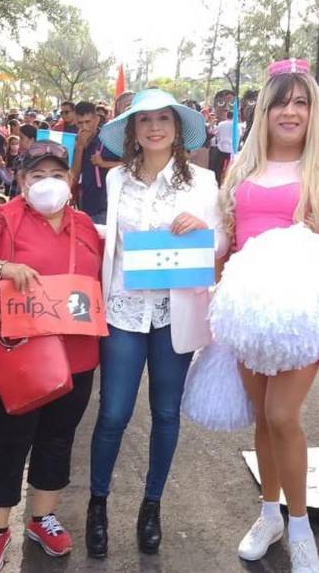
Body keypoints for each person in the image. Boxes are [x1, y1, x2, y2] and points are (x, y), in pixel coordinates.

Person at [221, 58, 319, 573]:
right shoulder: (241, 164)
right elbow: (228, 234)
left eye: (301, 102)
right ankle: (269, 513)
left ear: (313, 109)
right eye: (281, 101)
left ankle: (300, 527)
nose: (291, 111)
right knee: (263, 418)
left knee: (282, 415)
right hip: (248, 307)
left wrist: (314, 257)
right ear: (266, 109)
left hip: (301, 309)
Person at [86, 88, 228, 559]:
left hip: (174, 313)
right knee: (113, 414)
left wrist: (203, 229)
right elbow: (109, 241)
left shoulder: (204, 182)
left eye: (163, 118)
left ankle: (152, 505)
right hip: (125, 309)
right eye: (143, 120)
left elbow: (222, 241)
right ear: (131, 130)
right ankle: (98, 503)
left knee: (166, 414)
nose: (154, 127)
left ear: (177, 128)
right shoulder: (117, 180)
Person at [0, 140, 103, 572]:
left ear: (71, 181)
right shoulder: (2, 221)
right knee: (8, 441)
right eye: (36, 175)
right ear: (21, 181)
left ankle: (42, 517)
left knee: (58, 439)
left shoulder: (86, 227)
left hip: (77, 355)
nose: (48, 184)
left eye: (57, 175)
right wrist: (0, 267)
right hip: (19, 357)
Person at [71, 100, 121, 225]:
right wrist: (79, 148)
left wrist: (104, 164)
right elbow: (73, 177)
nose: (84, 127)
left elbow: (131, 164)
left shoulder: (108, 139)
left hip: (107, 205)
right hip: (85, 205)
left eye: (88, 122)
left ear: (96, 120)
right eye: (80, 123)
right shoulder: (73, 141)